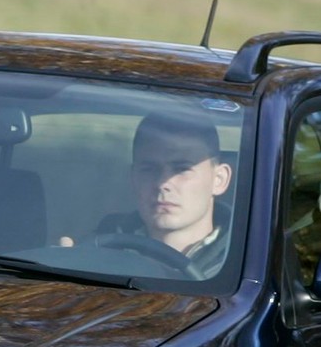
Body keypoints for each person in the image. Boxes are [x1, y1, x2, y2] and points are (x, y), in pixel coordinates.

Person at [74, 112, 233, 274]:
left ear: (219, 179)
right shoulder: (97, 253)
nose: (162, 183)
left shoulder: (247, 268)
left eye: (181, 169)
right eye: (149, 169)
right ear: (133, 178)